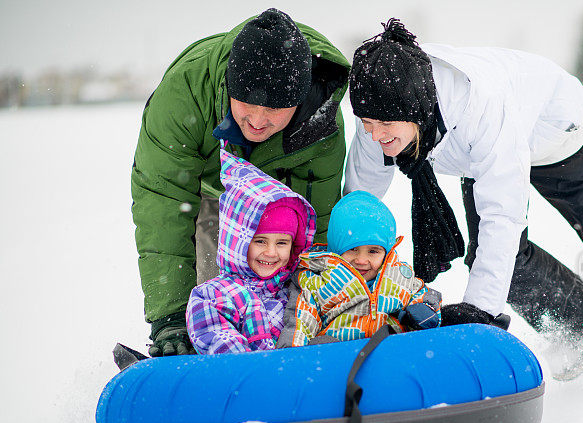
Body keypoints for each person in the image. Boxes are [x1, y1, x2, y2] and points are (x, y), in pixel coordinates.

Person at [344, 19, 583, 377]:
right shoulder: (383, 105)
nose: (374, 135)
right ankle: (581, 320)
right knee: (500, 262)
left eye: (383, 126)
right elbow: (360, 198)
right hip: (482, 155)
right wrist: (342, 259)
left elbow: (501, 218)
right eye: (367, 125)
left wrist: (479, 312)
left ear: (413, 111)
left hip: (558, 136)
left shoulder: (480, 108)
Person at [131, 9, 350, 357]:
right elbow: (163, 201)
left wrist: (319, 304)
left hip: (283, 206)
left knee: (292, 303)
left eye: (275, 108)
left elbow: (318, 220)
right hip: (211, 195)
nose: (258, 120)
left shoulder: (320, 118)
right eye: (246, 103)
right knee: (212, 304)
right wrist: (170, 316)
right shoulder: (185, 94)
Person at [186, 149, 315, 354]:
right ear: (237, 241)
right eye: (260, 241)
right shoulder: (212, 296)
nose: (271, 252)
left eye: (282, 243)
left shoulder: (301, 291)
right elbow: (227, 352)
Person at [278, 191, 441, 347]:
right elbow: (300, 323)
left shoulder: (398, 274)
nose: (362, 260)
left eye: (373, 251)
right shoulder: (316, 282)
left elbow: (425, 294)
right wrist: (298, 356)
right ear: (336, 250)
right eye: (353, 249)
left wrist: (424, 310)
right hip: (342, 359)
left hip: (393, 352)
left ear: (386, 251)